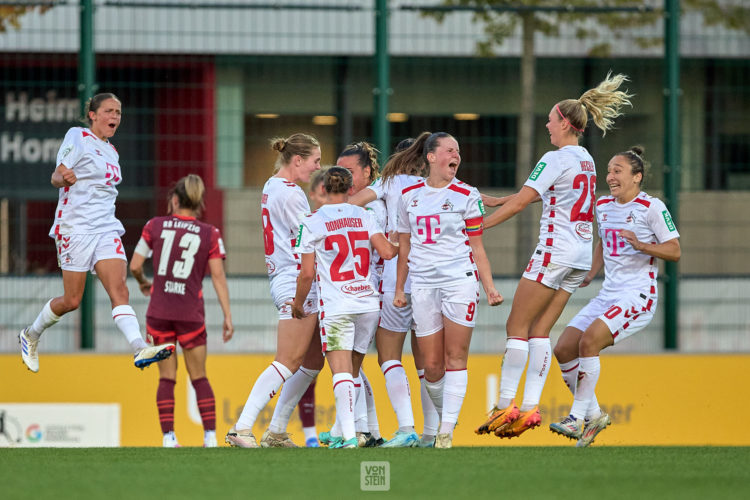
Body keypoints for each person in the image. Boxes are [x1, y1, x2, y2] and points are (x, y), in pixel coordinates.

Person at [475, 73, 633, 439]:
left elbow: (522, 203)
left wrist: (478, 228)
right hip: (577, 256)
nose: (546, 125)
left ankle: (504, 403)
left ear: (564, 122)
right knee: (541, 330)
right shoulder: (587, 160)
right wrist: (504, 200)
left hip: (554, 252)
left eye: (550, 119)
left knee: (516, 327)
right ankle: (530, 407)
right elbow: (548, 197)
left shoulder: (555, 157)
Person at [19, 93, 174, 374]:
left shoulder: (112, 151)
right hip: (75, 228)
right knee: (72, 301)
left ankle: (139, 347)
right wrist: (61, 178)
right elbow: (57, 174)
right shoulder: (77, 136)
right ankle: (31, 333)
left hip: (105, 227)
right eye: (108, 111)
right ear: (92, 114)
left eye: (118, 112)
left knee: (120, 290)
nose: (114, 117)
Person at [549, 146, 680, 447]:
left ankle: (576, 417)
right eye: (608, 171)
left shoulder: (652, 207)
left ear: (637, 177)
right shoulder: (604, 206)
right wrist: (592, 272)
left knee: (589, 342)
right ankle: (594, 415)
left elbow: (674, 250)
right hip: (609, 294)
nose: (610, 177)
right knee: (565, 347)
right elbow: (602, 242)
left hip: (638, 296)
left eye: (617, 171)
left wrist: (644, 246)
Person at [394, 132, 503, 449]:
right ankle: (447, 419)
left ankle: (445, 432)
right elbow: (405, 246)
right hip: (424, 285)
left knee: (456, 356)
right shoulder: (409, 197)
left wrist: (490, 287)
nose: (456, 155)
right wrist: (400, 288)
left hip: (459, 282)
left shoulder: (467, 195)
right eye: (449, 150)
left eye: (458, 150)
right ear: (431, 157)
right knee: (431, 366)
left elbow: (477, 246)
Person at [226, 133, 324, 448]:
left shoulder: (271, 185)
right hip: (298, 279)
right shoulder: (292, 193)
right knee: (288, 359)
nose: (317, 168)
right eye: (315, 161)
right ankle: (241, 427)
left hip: (284, 275)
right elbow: (309, 239)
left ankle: (277, 431)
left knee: (312, 361)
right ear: (297, 160)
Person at [290, 166, 397, 448]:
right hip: (368, 304)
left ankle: (349, 437)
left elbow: (307, 273)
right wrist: (400, 238)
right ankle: (343, 433)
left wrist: (298, 303)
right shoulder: (366, 216)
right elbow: (387, 252)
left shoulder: (311, 221)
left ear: (323, 188)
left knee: (340, 373)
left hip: (338, 305)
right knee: (352, 371)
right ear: (352, 189)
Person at [348, 136, 440, 448]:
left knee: (388, 356)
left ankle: (406, 428)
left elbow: (353, 203)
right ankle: (432, 434)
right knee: (426, 362)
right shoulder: (438, 184)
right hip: (431, 279)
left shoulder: (391, 182)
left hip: (397, 280)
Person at [129, 174, 233, 448]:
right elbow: (218, 277)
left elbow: (135, 265)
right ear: (198, 203)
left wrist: (143, 283)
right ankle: (210, 437)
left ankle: (168, 437)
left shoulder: (154, 226)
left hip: (160, 311)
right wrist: (227, 315)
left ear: (174, 200)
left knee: (166, 377)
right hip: (190, 314)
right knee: (199, 376)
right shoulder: (210, 233)